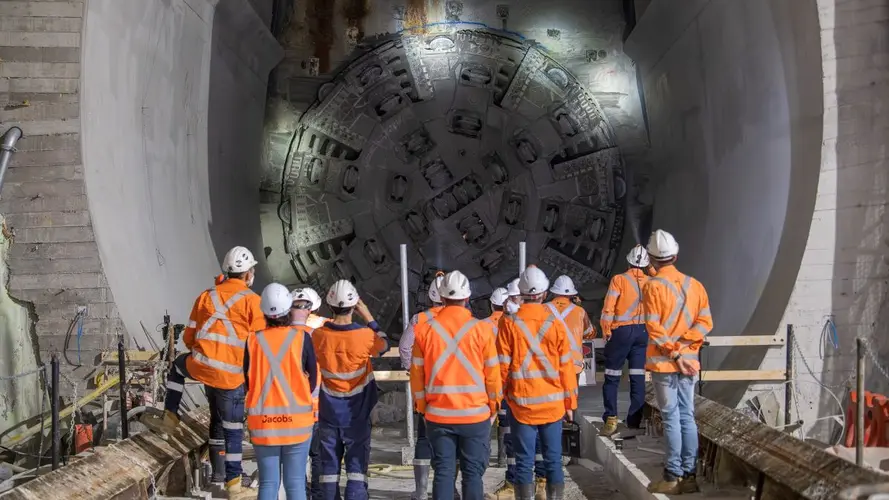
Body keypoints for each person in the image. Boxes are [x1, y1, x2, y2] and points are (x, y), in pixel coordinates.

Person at [142, 246, 264, 500]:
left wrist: (204, 355)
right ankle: (233, 487)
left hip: (201, 366)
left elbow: (189, 336)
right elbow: (258, 346)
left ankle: (170, 418)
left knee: (177, 366)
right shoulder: (253, 301)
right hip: (230, 377)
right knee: (232, 429)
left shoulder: (206, 296)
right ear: (247, 274)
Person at [410, 271, 502, 500]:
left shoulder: (424, 331)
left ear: (441, 297)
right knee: (472, 476)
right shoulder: (482, 330)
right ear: (467, 297)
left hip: (438, 416)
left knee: (443, 473)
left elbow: (417, 376)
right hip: (475, 416)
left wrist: (422, 408)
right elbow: (492, 375)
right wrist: (494, 407)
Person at [497, 266, 577, 500]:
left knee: (523, 462)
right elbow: (566, 366)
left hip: (521, 405)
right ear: (544, 294)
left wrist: (497, 399)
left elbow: (502, 366)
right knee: (553, 461)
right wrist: (570, 403)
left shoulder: (508, 323)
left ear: (521, 293)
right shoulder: (555, 323)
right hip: (552, 405)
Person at [642, 230, 712, 494]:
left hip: (666, 363)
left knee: (671, 418)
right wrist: (685, 347)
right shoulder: (695, 285)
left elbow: (654, 327)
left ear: (651, 258)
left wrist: (674, 353)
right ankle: (690, 477)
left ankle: (672, 477)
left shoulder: (652, 286)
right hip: (689, 363)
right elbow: (706, 322)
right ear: (676, 255)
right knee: (688, 418)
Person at [312, 280, 388, 500]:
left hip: (328, 412)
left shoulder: (318, 336)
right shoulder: (364, 335)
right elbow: (383, 346)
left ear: (329, 305)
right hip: (357, 413)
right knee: (356, 466)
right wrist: (368, 316)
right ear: (355, 305)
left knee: (329, 467)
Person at [246, 283, 317, 500]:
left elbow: (247, 381)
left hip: (264, 424)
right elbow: (313, 379)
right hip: (297, 424)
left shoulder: (252, 341)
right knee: (295, 484)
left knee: (268, 483)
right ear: (289, 308)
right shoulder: (302, 338)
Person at [489, 279, 546, 500]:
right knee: (537, 439)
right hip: (536, 390)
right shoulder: (542, 321)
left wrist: (495, 394)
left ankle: (515, 486)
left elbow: (500, 363)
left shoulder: (507, 324)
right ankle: (541, 484)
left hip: (515, 391)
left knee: (515, 440)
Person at [399, 273, 446, 500]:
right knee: (449, 440)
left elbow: (405, 348)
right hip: (452, 390)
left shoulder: (419, 319)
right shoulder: (462, 320)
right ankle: (448, 489)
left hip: (426, 390)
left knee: (424, 439)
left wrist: (414, 370)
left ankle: (420, 492)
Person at [598, 245, 652, 437]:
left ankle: (611, 419)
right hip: (643, 333)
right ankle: (634, 421)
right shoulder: (651, 281)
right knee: (637, 377)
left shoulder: (619, 280)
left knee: (612, 377)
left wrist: (606, 330)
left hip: (622, 332)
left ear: (628, 261)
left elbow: (608, 308)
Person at [290, 287, 328, 500]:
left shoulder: (279, 333)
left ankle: (301, 494)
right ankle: (318, 495)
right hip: (317, 406)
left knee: (296, 457)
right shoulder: (321, 331)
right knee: (318, 457)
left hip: (291, 408)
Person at [546, 275, 595, 377]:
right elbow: (590, 333)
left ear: (554, 292)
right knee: (571, 393)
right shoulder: (579, 311)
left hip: (549, 363)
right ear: (572, 295)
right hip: (573, 364)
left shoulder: (542, 309)